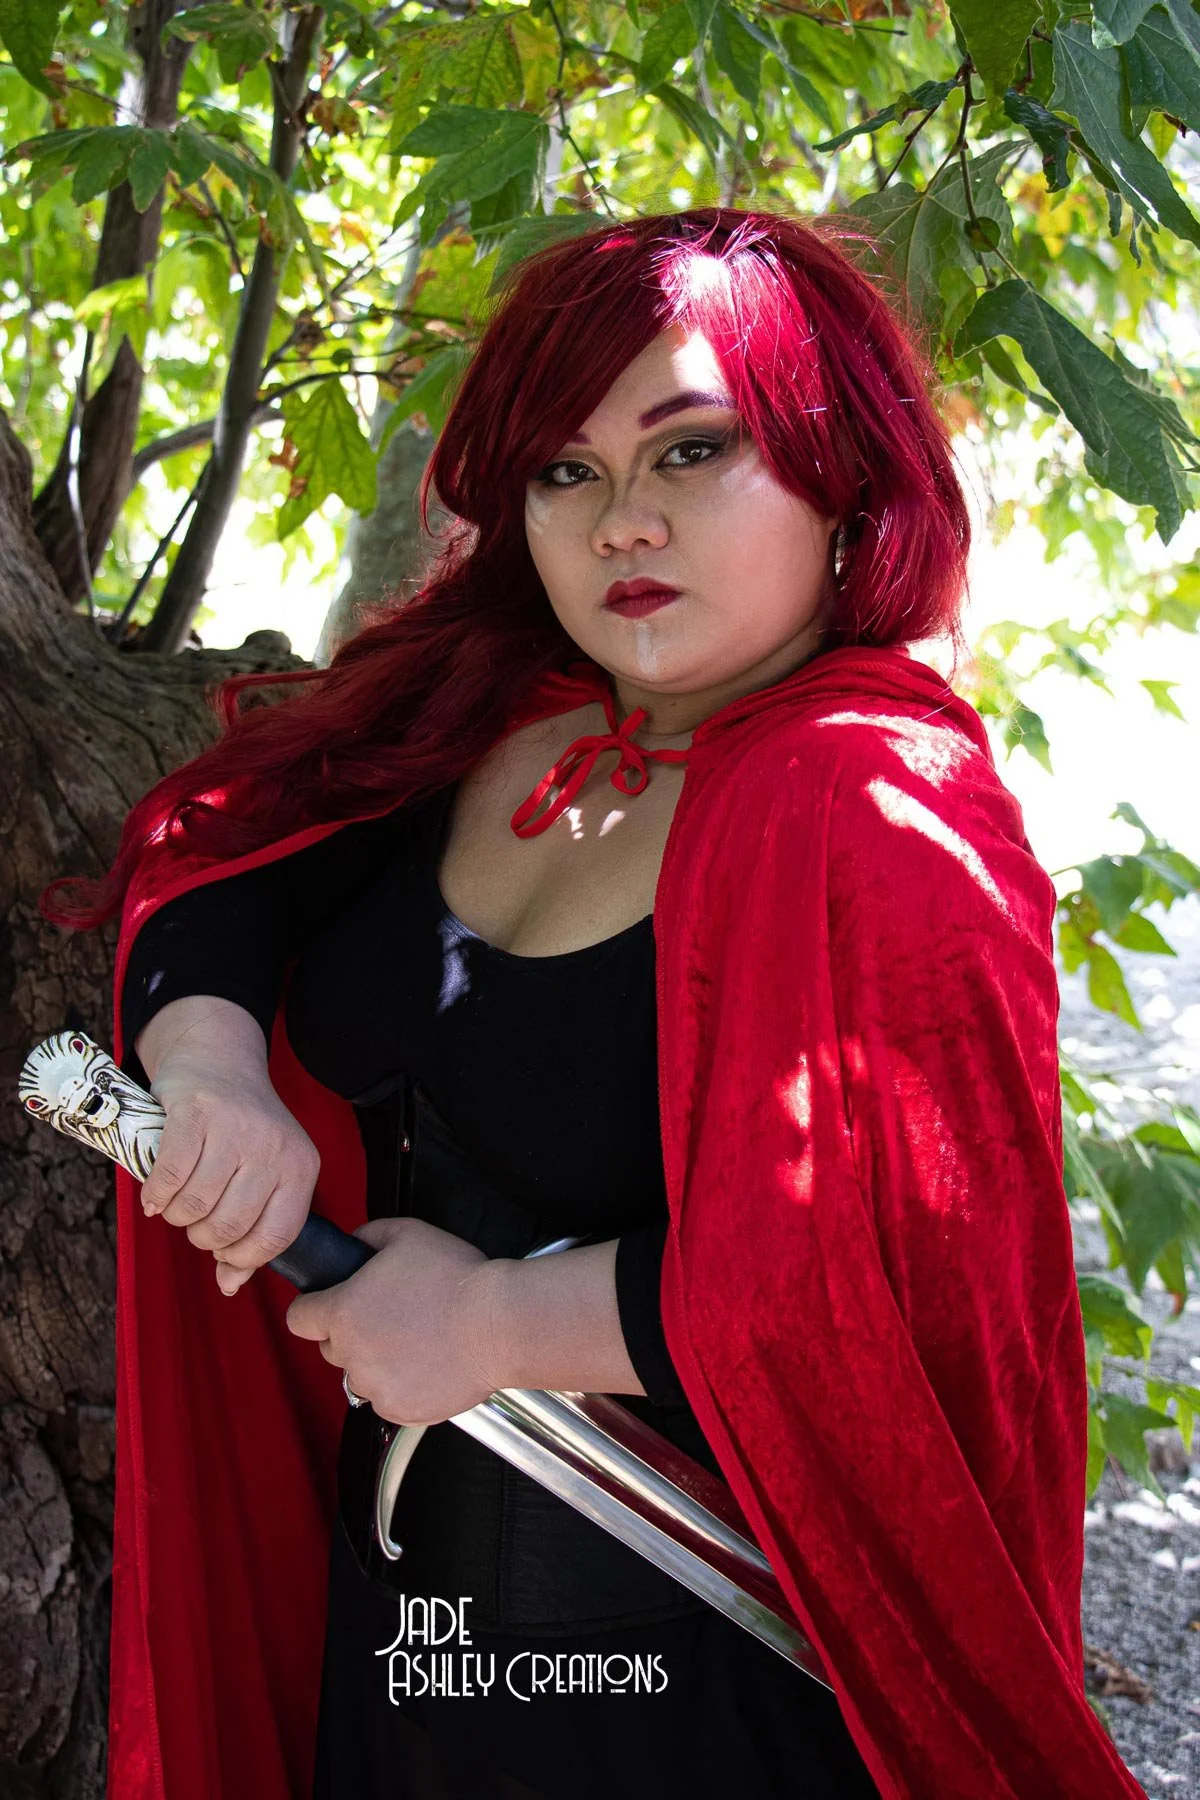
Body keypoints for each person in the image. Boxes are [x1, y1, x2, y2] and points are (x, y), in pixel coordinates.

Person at [43, 208, 1148, 1800]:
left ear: (841, 476)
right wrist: (205, 1061)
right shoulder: (491, 710)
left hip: (709, 1684)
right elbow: (226, 848)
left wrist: (495, 1324)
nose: (622, 520)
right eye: (567, 471)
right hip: (403, 1650)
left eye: (691, 452)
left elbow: (889, 1288)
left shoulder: (884, 815)